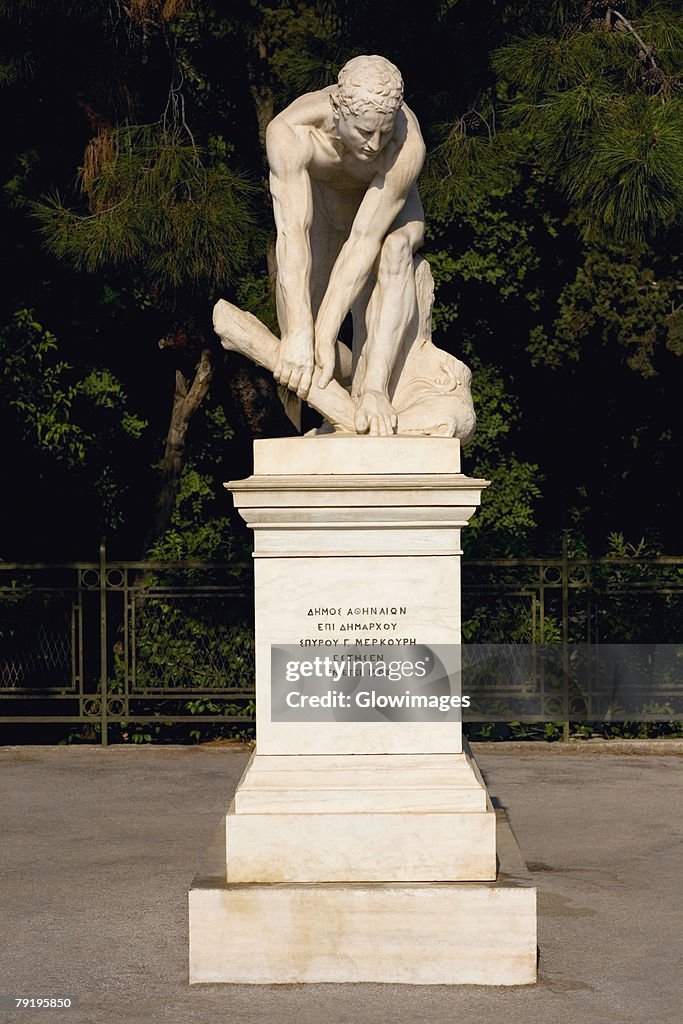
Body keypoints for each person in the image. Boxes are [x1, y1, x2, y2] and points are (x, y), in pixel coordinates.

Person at [265, 54, 426, 437]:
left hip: (385, 217)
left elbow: (364, 240)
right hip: (322, 214)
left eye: (384, 132)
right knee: (298, 340)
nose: (375, 144)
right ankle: (341, 399)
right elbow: (292, 233)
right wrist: (304, 331)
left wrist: (322, 333)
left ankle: (374, 389)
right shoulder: (290, 131)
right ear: (338, 110)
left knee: (396, 250)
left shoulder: (406, 145)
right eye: (366, 131)